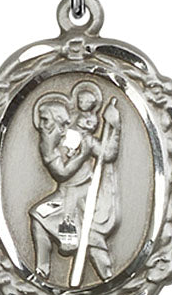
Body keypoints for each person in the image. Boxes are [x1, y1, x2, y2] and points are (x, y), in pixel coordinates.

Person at [30, 81, 121, 284]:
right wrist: (83, 154)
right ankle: (42, 270)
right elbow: (61, 172)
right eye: (42, 120)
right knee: (39, 216)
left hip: (85, 196)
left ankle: (109, 280)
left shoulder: (80, 137)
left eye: (46, 120)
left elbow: (107, 153)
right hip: (64, 196)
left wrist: (115, 126)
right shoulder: (48, 146)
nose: (43, 125)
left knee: (91, 237)